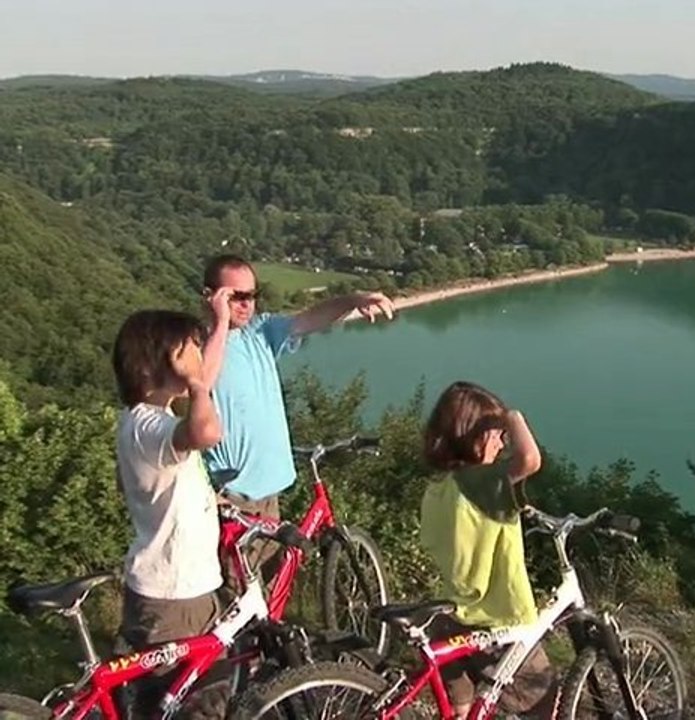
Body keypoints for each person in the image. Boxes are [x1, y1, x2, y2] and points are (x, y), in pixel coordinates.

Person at [199, 255, 395, 585]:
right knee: (235, 599)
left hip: (268, 493)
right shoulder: (194, 345)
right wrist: (219, 324)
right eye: (237, 296)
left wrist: (353, 299)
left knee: (268, 595)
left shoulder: (259, 333)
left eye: (252, 294)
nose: (248, 304)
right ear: (210, 296)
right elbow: (201, 383)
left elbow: (308, 320)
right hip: (231, 496)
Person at [111, 308, 228, 714]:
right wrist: (198, 385)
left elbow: (135, 482)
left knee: (177, 694)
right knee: (187, 703)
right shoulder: (149, 425)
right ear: (151, 365)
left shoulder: (140, 423)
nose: (196, 357)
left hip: (176, 586)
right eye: (188, 350)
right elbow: (207, 433)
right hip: (175, 595)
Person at [420, 381, 556, 719]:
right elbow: (530, 459)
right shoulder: (481, 484)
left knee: (462, 712)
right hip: (497, 622)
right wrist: (513, 416)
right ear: (473, 435)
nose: (502, 441)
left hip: (448, 618)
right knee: (544, 701)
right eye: (496, 433)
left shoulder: (439, 485)